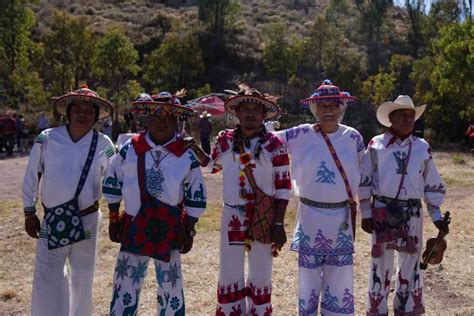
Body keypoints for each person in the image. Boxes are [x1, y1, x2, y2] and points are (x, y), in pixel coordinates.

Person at [103, 91, 207, 315]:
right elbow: (113, 181)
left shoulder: (186, 156)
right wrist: (113, 218)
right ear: (147, 119)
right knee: (126, 282)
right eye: (156, 117)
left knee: (170, 284)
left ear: (177, 122)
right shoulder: (129, 149)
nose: (162, 122)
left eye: (169, 118)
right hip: (133, 223)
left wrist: (189, 231)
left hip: (170, 226)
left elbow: (195, 194)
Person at [190, 85, 291, 315]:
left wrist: (278, 223)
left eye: (256, 110)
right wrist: (195, 150)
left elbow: (284, 187)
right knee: (230, 269)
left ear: (264, 116)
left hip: (263, 217)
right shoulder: (225, 140)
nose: (250, 114)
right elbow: (212, 166)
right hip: (232, 214)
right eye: (245, 109)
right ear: (237, 113)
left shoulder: (275, 146)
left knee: (261, 270)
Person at [275, 79, 371, 315]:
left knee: (340, 276)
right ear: (314, 110)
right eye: (322, 106)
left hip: (340, 216)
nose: (328, 110)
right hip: (309, 216)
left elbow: (366, 176)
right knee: (307, 277)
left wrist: (367, 212)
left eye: (333, 105)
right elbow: (268, 139)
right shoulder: (299, 133)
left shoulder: (353, 137)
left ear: (342, 108)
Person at [22, 85, 115, 316]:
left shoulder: (105, 144)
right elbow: (33, 174)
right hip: (53, 219)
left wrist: (117, 213)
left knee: (82, 276)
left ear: (96, 115)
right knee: (47, 275)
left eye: (89, 109)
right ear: (69, 111)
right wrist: (28, 211)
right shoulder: (47, 138)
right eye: (78, 108)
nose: (83, 113)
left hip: (88, 220)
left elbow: (115, 180)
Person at [362, 95, 449, 316]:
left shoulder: (422, 148)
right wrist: (365, 213)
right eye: (402, 115)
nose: (408, 120)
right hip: (382, 211)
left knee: (411, 263)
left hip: (412, 213)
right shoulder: (376, 144)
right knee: (381, 264)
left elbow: (431, 182)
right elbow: (364, 179)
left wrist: (437, 216)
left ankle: (406, 309)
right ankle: (378, 310)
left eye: (411, 116)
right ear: (391, 118)